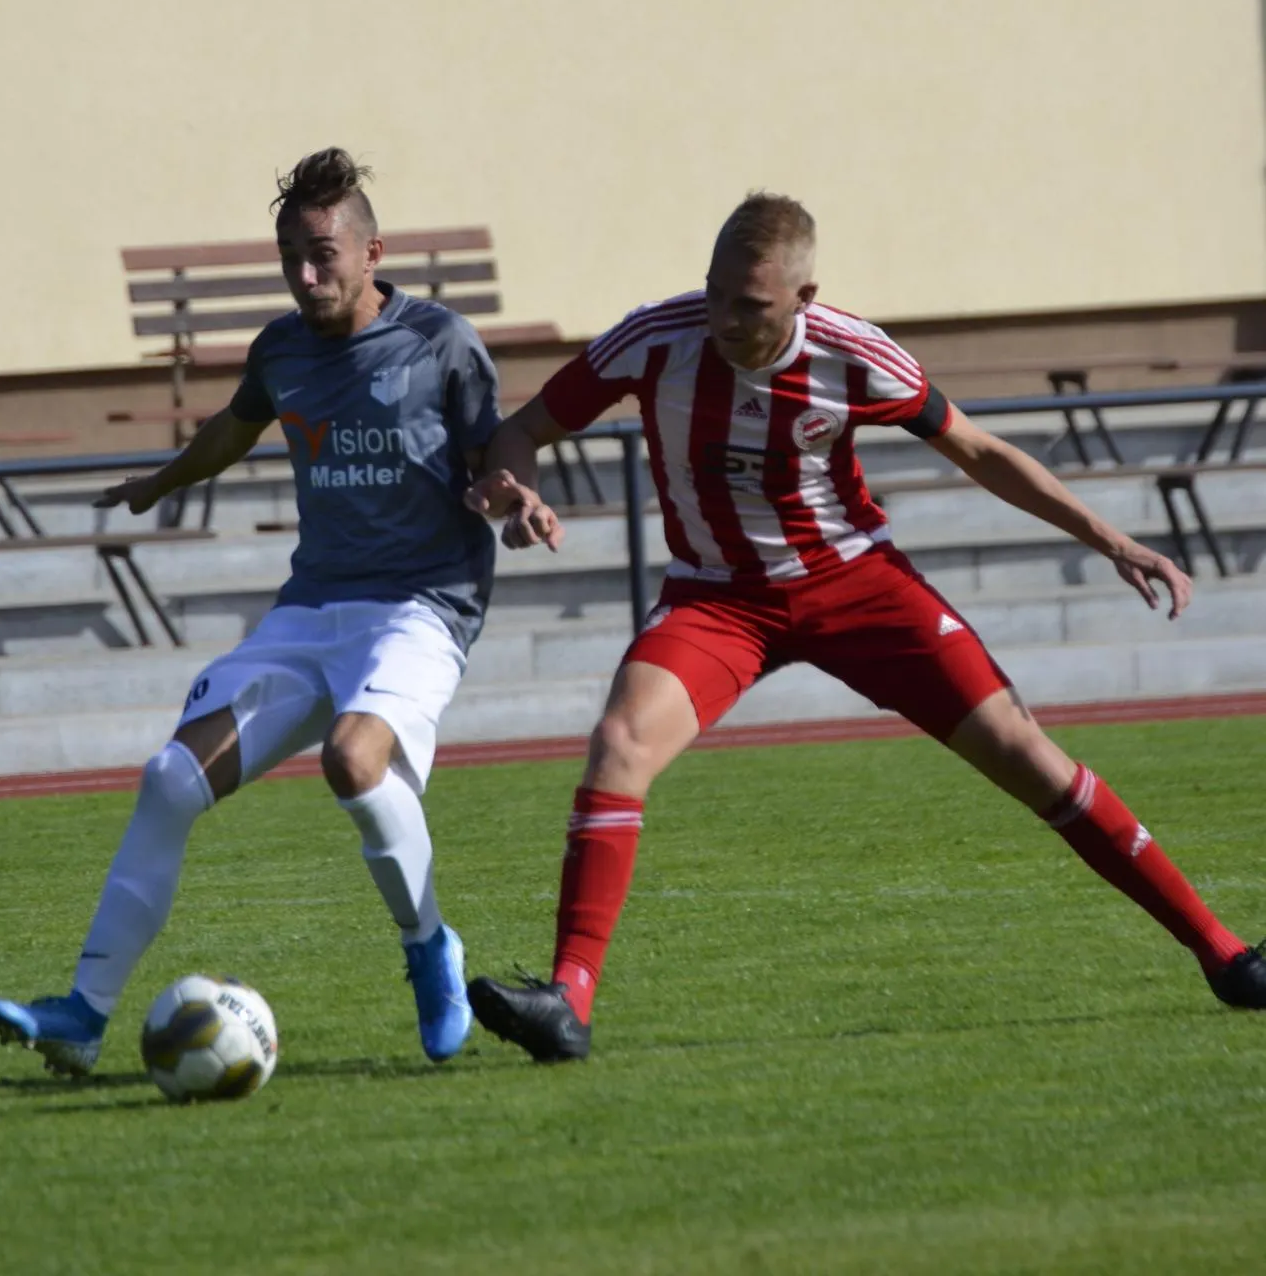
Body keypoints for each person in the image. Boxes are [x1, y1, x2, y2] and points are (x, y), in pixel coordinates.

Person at [465, 192, 1266, 1062]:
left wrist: (1112, 540)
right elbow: (524, 428)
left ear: (804, 299)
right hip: (717, 599)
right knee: (619, 745)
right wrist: (519, 487)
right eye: (715, 292)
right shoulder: (656, 338)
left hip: (856, 587)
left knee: (1030, 758)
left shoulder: (855, 356)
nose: (723, 319)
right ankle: (568, 1002)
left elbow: (982, 452)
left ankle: (1226, 957)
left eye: (750, 305)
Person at [0, 147, 537, 1073]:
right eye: (290, 259)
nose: (305, 277)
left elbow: (495, 452)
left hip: (419, 608)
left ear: (372, 253)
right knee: (169, 778)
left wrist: (512, 499)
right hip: (310, 611)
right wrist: (160, 483)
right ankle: (82, 1016)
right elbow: (231, 432)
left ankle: (428, 945)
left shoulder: (441, 341)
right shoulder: (280, 350)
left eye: (322, 255)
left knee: (352, 759)